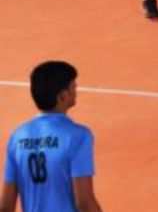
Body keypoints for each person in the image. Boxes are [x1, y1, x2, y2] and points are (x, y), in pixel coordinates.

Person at [1, 62, 102, 212]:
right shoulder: (79, 136)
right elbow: (84, 202)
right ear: (62, 96)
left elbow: (5, 206)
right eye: (72, 86)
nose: (76, 88)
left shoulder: (17, 137)